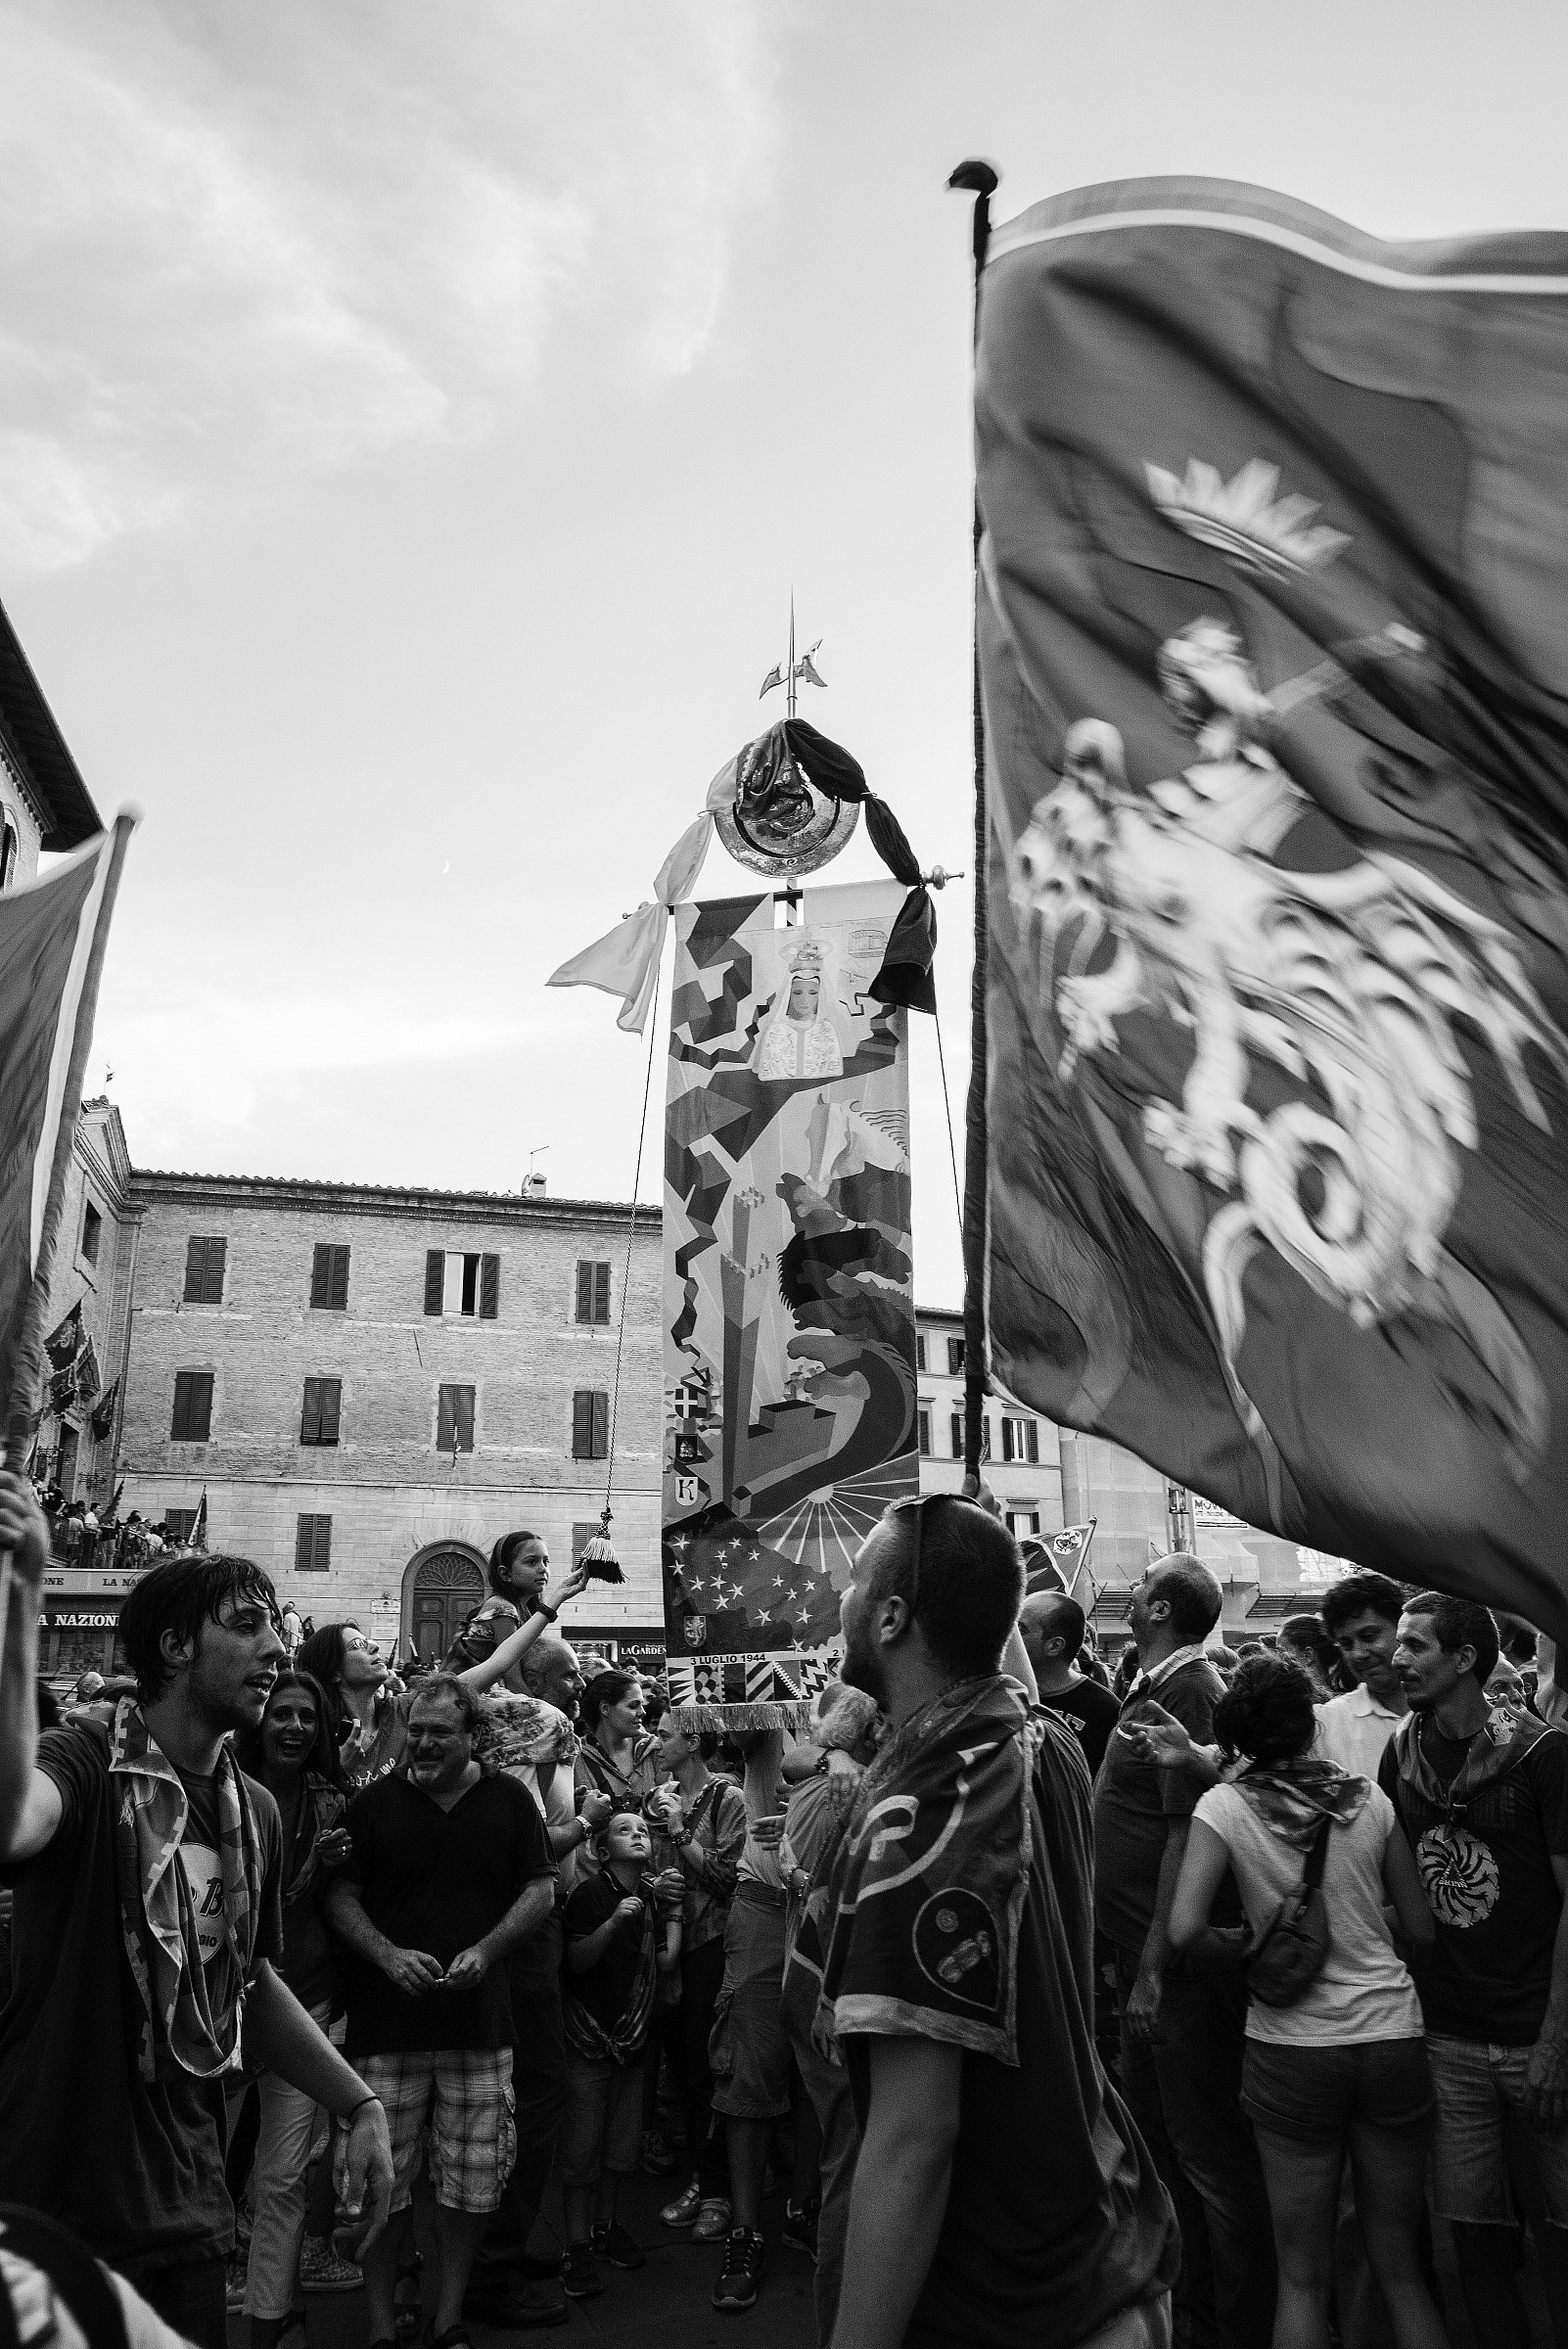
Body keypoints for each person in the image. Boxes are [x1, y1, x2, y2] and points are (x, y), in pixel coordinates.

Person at [0, 1495, 393, 2349]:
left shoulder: (252, 1807)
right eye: (246, 1624)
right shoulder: (86, 1759)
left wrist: (356, 2103)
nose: (276, 1646)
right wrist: (23, 1599)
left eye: (273, 1627)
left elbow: (248, 1979)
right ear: (175, 1648)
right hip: (54, 2202)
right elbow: (9, 1822)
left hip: (188, 2200)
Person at [816, 1494, 1176, 2349]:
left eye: (856, 1583)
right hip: (1104, 2248)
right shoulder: (1040, 1741)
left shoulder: (925, 1816)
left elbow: (915, 2139)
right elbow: (999, 1660)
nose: (842, 1603)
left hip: (1020, 2304)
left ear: (893, 1615)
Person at [1165, 1653, 1445, 2349]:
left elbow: (1185, 1928)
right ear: (1306, 1725)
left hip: (1292, 2050)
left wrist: (1251, 1944)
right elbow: (1420, 1928)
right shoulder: (1369, 1801)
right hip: (1391, 2036)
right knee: (1402, 2270)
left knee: (1301, 2279)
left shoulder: (1223, 1807)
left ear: (1236, 1734)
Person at [324, 1675, 558, 2349]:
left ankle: (447, 2315)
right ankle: (378, 2326)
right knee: (379, 2187)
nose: (423, 1743)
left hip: (478, 2029)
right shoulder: (374, 1804)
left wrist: (487, 1951)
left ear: (470, 1736)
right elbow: (342, 1897)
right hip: (385, 2030)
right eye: (416, 1730)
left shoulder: (510, 1800)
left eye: (439, 1733)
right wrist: (388, 1955)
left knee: (470, 2185)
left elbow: (539, 1890)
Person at [1094, 1552, 1276, 2349]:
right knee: (1162, 2148)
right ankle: (1191, 2306)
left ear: (1162, 1607)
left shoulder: (1192, 1687)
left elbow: (1185, 1838)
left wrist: (1154, 1968)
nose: (1129, 1594)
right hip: (1143, 1962)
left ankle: (1233, 2326)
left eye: (1140, 1587)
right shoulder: (1155, 1680)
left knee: (1209, 2160)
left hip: (1175, 1976)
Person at [1380, 1592, 1568, 2349]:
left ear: (1464, 1661)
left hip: (1538, 2037)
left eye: (1415, 1646)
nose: (1397, 1660)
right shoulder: (1401, 1750)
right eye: (1398, 1644)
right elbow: (1403, 1899)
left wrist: (1557, 2041)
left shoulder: (1542, 1755)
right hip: (1450, 2036)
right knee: (1475, 2246)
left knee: (1561, 2239)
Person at [230, 1670, 360, 2341]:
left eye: (308, 1717)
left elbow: (338, 1905)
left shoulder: (334, 1801)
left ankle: (270, 2320)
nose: (294, 1727)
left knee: (283, 2178)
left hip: (302, 2004)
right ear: (259, 1720)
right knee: (200, 2172)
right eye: (282, 1713)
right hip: (219, 2010)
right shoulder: (219, 1792)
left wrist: (334, 1863)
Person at [776, 1680, 881, 2345]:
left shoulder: (838, 1780)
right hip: (827, 1995)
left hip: (821, 1989)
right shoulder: (842, 1792)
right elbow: (823, 1891)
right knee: (852, 2164)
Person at [300, 1573, 587, 1792]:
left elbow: (498, 1663)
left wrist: (554, 1601)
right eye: (358, 1646)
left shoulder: (410, 1708)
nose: (374, 1647)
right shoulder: (318, 1739)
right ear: (334, 1671)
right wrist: (338, 1772)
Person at [558, 1812, 681, 2301]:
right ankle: (575, 2243)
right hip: (590, 2037)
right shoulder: (590, 1895)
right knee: (582, 2148)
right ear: (602, 1852)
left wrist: (673, 1914)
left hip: (634, 2037)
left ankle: (606, 2228)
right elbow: (577, 1961)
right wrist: (613, 1921)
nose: (638, 1834)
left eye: (644, 1830)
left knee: (621, 2147)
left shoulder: (651, 1899)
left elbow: (665, 1962)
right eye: (624, 1829)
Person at [648, 1715, 747, 2244]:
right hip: (668, 1946)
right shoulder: (660, 1794)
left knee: (710, 2065)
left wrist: (681, 1832)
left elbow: (728, 1879)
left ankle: (717, 2188)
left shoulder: (727, 1797)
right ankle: (700, 2176)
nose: (656, 1742)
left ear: (693, 1741)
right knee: (681, 2067)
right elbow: (648, 1859)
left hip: (710, 1944)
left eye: (666, 1735)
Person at [1315, 1574, 1409, 1776]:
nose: (1358, 1654)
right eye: (1347, 1644)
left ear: (1402, 1629)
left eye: (1369, 1637)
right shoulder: (1327, 1725)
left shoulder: (1447, 1708)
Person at [1020, 1589, 1120, 1776]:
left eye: (1021, 1630)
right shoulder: (1005, 1692)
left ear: (1054, 1646)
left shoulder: (1106, 1711)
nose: (1012, 1638)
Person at [444, 1533, 558, 1691]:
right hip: (464, 1699)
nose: (543, 1569)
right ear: (505, 1574)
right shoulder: (502, 1609)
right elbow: (513, 1680)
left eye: (545, 1561)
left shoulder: (523, 1610)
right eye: (532, 1562)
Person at [1279, 1615, 1338, 1699]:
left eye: (1282, 1652)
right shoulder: (1348, 1701)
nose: (1277, 1659)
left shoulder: (1297, 1704)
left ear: (1307, 1656)